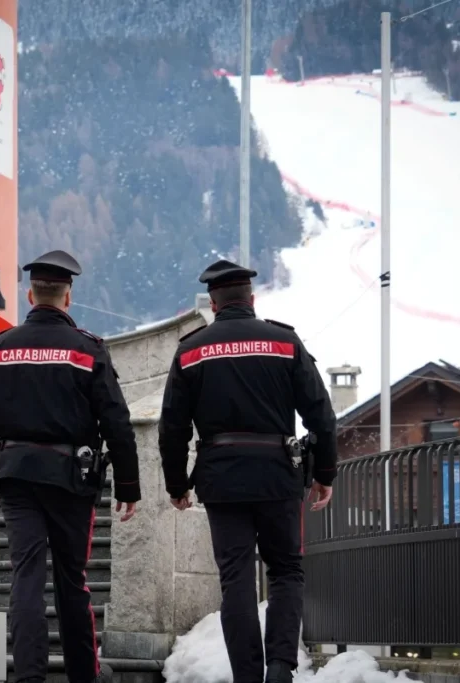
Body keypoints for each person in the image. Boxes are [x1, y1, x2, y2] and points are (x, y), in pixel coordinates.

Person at [0, 249, 141, 683]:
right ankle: (84, 675)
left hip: (16, 477)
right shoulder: (87, 350)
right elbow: (116, 421)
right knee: (71, 579)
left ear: (29, 295)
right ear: (68, 297)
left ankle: (29, 677)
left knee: (26, 576)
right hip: (70, 480)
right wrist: (129, 487)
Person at [157, 258, 338, 683]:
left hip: (222, 480)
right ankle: (280, 667)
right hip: (279, 474)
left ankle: (247, 676)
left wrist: (177, 484)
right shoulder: (285, 342)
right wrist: (324, 473)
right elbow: (322, 417)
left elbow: (172, 427)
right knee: (286, 570)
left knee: (235, 578)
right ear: (251, 300)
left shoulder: (192, 349)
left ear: (214, 305)